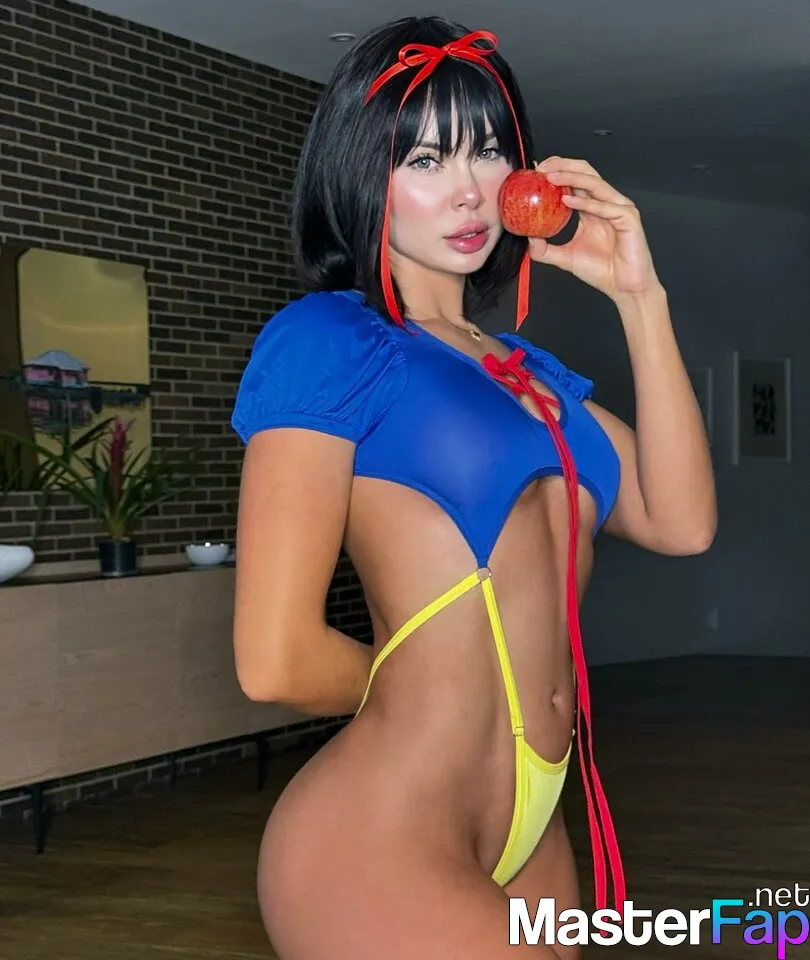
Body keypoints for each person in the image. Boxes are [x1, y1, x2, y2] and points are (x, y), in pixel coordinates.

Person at [230, 15, 716, 959]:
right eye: (424, 159)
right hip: (382, 830)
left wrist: (639, 298)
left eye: (488, 151)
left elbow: (680, 520)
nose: (469, 191)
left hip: (534, 826)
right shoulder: (332, 343)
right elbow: (274, 660)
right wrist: (428, 694)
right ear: (363, 176)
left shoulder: (533, 375)